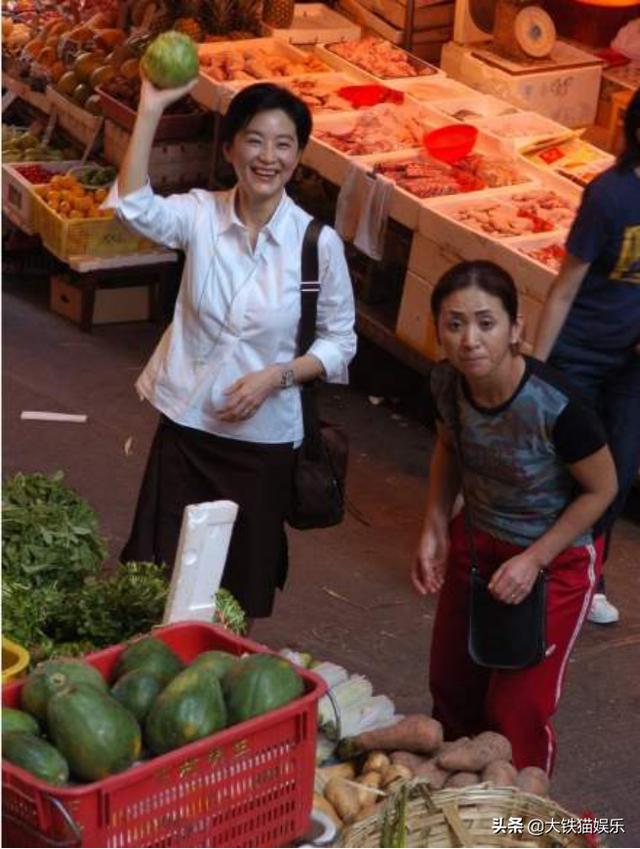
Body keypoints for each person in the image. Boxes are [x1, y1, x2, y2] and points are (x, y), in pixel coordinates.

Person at [107, 79, 357, 620]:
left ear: (298, 156)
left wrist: (278, 377)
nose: (268, 157)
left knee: (236, 593)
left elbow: (341, 341)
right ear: (230, 149)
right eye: (254, 140)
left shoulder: (317, 244)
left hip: (263, 444)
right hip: (189, 429)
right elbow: (131, 207)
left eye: (283, 144)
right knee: (161, 579)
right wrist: (149, 108)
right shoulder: (200, 216)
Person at [412, 260, 617, 772]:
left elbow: (603, 490)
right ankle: (459, 816)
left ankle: (523, 822)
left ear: (516, 329)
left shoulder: (558, 407)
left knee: (514, 712)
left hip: (556, 560)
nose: (470, 340)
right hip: (478, 545)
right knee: (452, 690)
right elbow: (448, 448)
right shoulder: (446, 384)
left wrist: (533, 560)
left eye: (486, 322)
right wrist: (435, 524)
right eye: (454, 324)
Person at [533, 87, 640, 626]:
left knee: (617, 472)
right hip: (580, 352)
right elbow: (565, 286)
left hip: (631, 363)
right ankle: (535, 562)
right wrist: (535, 370)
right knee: (562, 466)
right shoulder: (610, 196)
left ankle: (589, 576)